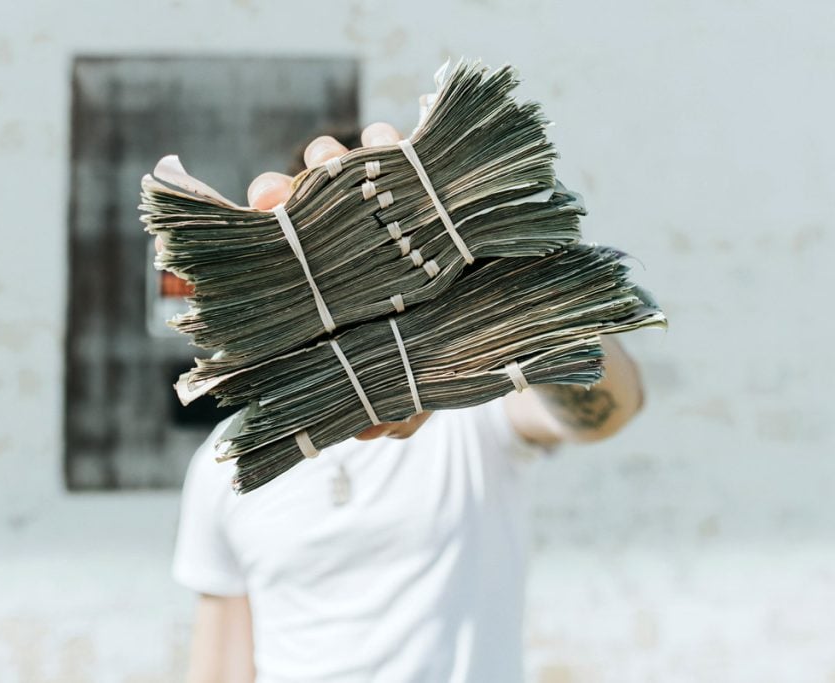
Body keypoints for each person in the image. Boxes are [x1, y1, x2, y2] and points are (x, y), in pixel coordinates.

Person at [168, 123, 646, 683]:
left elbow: (611, 407)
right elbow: (221, 667)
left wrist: (506, 286)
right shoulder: (228, 462)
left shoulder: (471, 410)